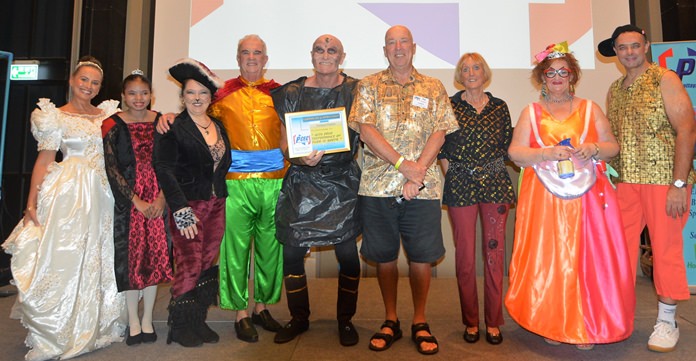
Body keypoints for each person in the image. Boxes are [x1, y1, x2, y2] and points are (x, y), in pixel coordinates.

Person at [505, 42, 635, 350]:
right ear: (543, 77)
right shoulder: (531, 112)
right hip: (546, 200)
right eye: (551, 72)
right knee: (552, 259)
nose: (558, 77)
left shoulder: (590, 108)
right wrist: (544, 152)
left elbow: (612, 147)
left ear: (573, 75)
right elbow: (515, 152)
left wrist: (594, 148)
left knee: (586, 260)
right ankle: (554, 320)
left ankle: (585, 323)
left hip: (588, 200)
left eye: (564, 72)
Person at [2, 56, 126, 360]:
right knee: (64, 257)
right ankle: (57, 330)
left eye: (95, 82)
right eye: (84, 79)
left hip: (102, 193)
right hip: (68, 195)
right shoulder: (54, 116)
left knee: (100, 255)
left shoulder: (107, 114)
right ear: (72, 80)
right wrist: (31, 201)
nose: (88, 86)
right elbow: (44, 161)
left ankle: (95, 324)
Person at [348, 25, 458, 355]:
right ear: (385, 50)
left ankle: (420, 321)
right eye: (391, 43)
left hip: (423, 189)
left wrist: (418, 171)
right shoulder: (368, 85)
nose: (398, 47)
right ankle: (390, 319)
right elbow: (366, 131)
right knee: (383, 257)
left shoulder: (434, 86)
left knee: (422, 257)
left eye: (403, 42)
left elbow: (440, 132)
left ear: (413, 47)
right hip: (378, 187)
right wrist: (401, 166)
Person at [598, 25, 696, 353]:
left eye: (635, 46)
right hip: (625, 184)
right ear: (615, 50)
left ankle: (667, 322)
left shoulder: (665, 78)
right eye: (623, 47)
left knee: (665, 251)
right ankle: (616, 319)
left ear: (646, 46)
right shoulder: (615, 88)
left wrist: (679, 184)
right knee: (617, 253)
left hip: (663, 182)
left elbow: (687, 130)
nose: (629, 52)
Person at [271, 34, 361, 346]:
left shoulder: (357, 90)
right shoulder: (291, 93)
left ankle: (345, 320)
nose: (325, 54)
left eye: (332, 50)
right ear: (312, 55)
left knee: (349, 255)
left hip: (342, 185)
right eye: (320, 50)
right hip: (302, 184)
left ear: (342, 56)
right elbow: (284, 144)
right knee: (292, 254)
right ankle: (298, 318)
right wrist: (298, 155)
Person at [208, 34, 286, 343]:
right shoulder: (222, 95)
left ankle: (261, 307)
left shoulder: (280, 94)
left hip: (274, 181)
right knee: (236, 249)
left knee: (270, 248)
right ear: (238, 58)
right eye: (245, 52)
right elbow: (199, 122)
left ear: (265, 59)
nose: (251, 57)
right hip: (235, 183)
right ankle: (240, 312)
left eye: (257, 53)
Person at [153, 58, 231, 348]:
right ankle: (181, 325)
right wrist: (181, 210)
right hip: (189, 206)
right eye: (190, 92)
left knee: (206, 262)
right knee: (188, 263)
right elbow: (164, 169)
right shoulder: (172, 127)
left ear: (211, 97)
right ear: (182, 96)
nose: (197, 98)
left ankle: (197, 319)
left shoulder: (220, 125)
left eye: (202, 93)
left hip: (216, 204)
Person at [438, 53, 514, 346]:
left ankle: (493, 321)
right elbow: (441, 147)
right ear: (459, 75)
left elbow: (509, 146)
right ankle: (471, 321)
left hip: (496, 186)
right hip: (460, 186)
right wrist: (452, 174)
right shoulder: (450, 105)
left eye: (476, 67)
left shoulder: (500, 106)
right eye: (465, 69)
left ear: (485, 72)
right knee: (465, 259)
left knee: (494, 256)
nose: (471, 73)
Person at [102, 70, 173, 346]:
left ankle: (147, 319)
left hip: (158, 197)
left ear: (151, 95)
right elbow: (112, 168)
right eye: (132, 93)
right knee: (132, 260)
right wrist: (136, 200)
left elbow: (172, 161)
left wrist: (161, 198)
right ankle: (133, 319)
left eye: (144, 93)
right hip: (130, 200)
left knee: (155, 257)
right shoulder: (112, 125)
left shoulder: (162, 122)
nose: (139, 98)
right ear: (123, 96)